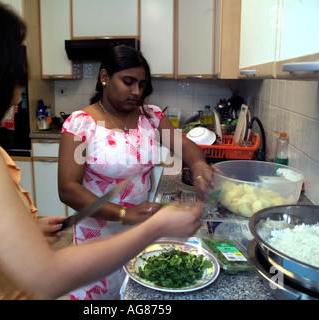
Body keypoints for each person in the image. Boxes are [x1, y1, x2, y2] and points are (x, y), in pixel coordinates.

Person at [0, 0, 202, 300]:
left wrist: (28, 229)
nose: (21, 69)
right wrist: (157, 226)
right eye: (13, 54)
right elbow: (47, 278)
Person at [58, 45, 216, 299]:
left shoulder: (150, 117)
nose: (136, 92)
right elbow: (68, 189)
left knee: (135, 295)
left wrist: (198, 165)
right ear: (105, 77)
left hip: (139, 231)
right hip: (98, 236)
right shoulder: (82, 123)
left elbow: (185, 145)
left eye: (142, 84)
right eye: (128, 82)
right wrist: (123, 214)